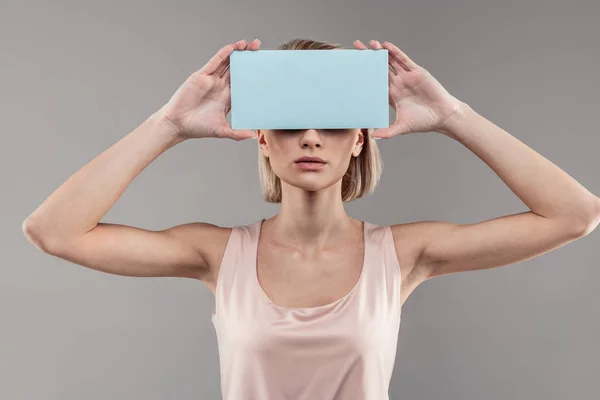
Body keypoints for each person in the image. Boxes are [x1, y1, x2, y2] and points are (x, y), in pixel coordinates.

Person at [22, 38, 600, 399]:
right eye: (290, 124)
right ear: (262, 140)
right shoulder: (217, 254)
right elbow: (53, 231)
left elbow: (575, 215)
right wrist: (168, 125)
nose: (311, 138)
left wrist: (452, 115)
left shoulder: (405, 253)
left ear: (358, 141)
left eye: (332, 124)